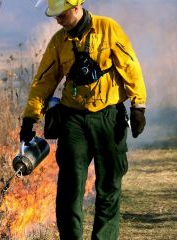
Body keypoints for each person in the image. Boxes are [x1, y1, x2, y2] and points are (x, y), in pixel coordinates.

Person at [19, 0, 147, 239]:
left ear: (76, 8)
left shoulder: (108, 29)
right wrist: (30, 118)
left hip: (109, 116)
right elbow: (43, 81)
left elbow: (130, 66)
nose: (57, 19)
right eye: (55, 15)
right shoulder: (59, 42)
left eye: (61, 14)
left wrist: (138, 105)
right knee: (70, 185)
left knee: (109, 184)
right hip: (73, 119)